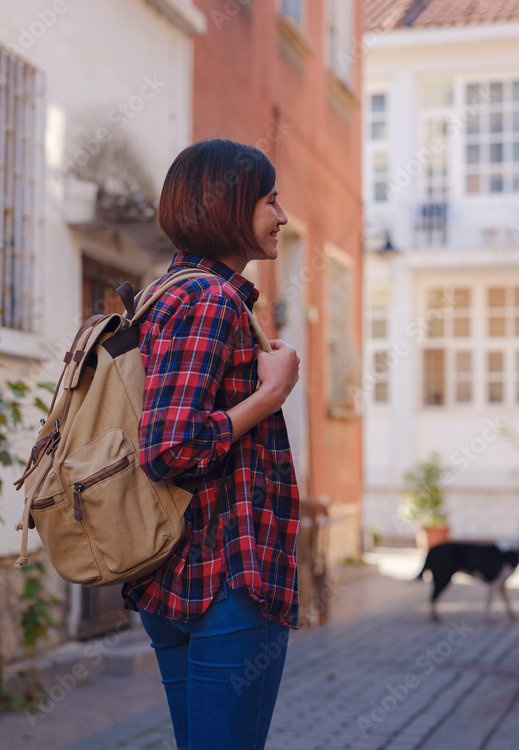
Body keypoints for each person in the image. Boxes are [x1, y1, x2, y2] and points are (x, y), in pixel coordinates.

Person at [122, 139, 301, 750]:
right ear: (228, 205)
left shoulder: (168, 291)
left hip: (174, 569)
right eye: (270, 201)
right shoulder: (208, 300)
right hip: (225, 573)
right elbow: (170, 448)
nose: (282, 217)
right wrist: (269, 396)